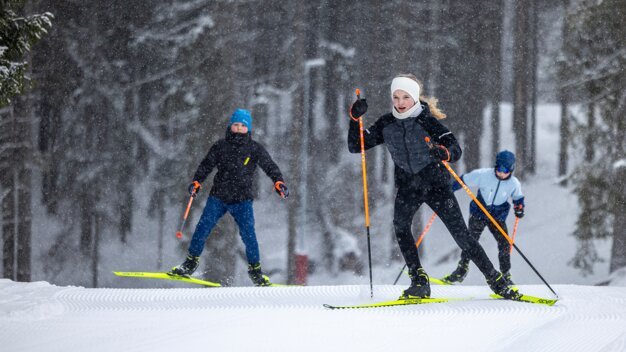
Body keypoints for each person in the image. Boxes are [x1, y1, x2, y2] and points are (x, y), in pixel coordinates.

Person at [347, 74, 521, 300]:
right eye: (396, 97)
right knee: (400, 226)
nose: (400, 102)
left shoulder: (427, 121)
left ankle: (496, 281)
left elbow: (455, 148)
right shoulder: (386, 124)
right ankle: (419, 280)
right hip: (408, 185)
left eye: (406, 97)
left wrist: (444, 152)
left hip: (436, 185)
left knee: (462, 237)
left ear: (415, 98)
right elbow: (356, 145)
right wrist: (354, 118)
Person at [170, 108, 289, 286]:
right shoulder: (220, 146)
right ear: (230, 126)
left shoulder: (254, 148)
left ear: (248, 128)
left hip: (243, 200)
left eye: (243, 126)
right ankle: (190, 264)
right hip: (218, 197)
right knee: (202, 229)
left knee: (249, 236)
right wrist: (197, 182)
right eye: (236, 125)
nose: (239, 128)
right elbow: (206, 165)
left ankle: (256, 272)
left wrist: (278, 181)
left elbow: (269, 165)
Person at [441, 150, 525, 285]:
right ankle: (462, 269)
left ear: (511, 170)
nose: (502, 173)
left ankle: (505, 274)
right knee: (470, 241)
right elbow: (462, 180)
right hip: (479, 213)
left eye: (506, 170)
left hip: (497, 217)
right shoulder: (483, 175)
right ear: (495, 166)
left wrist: (519, 208)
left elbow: (518, 197)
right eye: (499, 169)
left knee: (504, 243)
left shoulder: (514, 183)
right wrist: (449, 189)